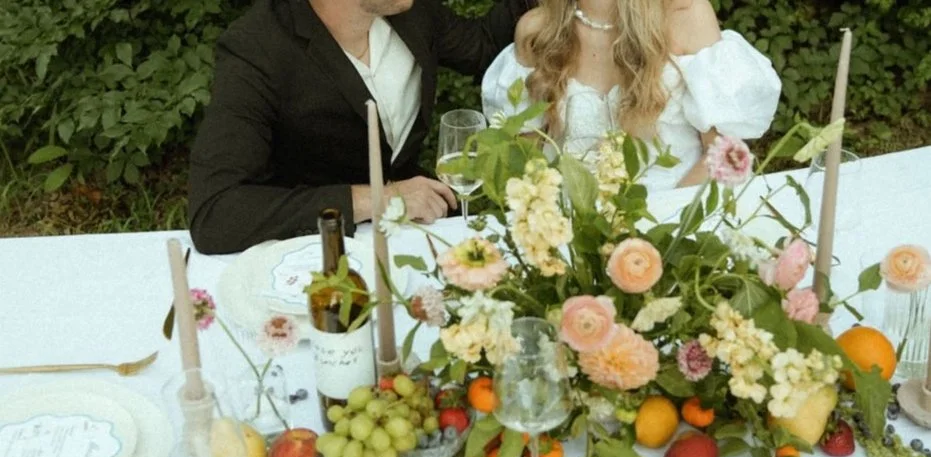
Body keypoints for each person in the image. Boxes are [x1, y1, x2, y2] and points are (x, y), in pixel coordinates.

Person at [189, 0, 535, 255]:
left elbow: (485, 46)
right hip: (310, 258)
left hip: (413, 240)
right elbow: (216, 212)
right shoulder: (258, 48)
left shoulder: (411, 11)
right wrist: (379, 198)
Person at [481, 0, 782, 189]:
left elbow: (721, 156)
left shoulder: (687, 13)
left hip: (677, 214)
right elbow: (522, 157)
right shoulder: (537, 29)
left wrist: (659, 237)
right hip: (568, 228)